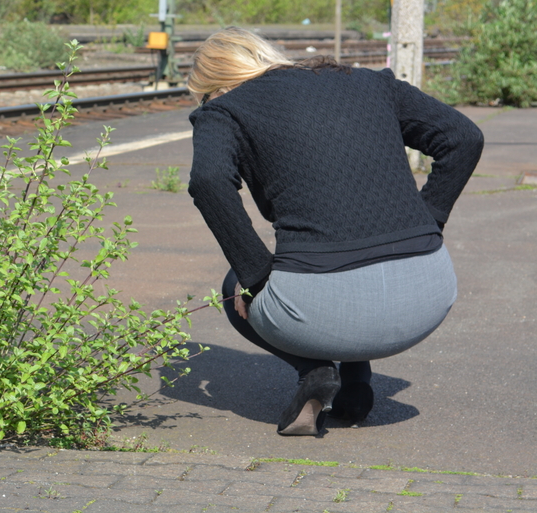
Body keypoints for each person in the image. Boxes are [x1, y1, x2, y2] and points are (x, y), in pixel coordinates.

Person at [186, 27, 484, 436]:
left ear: (214, 86)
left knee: (235, 283)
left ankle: (315, 370)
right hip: (429, 295)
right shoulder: (368, 81)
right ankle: (357, 384)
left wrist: (255, 275)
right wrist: (429, 219)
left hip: (321, 308)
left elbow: (207, 181)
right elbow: (463, 137)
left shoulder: (225, 109)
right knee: (342, 258)